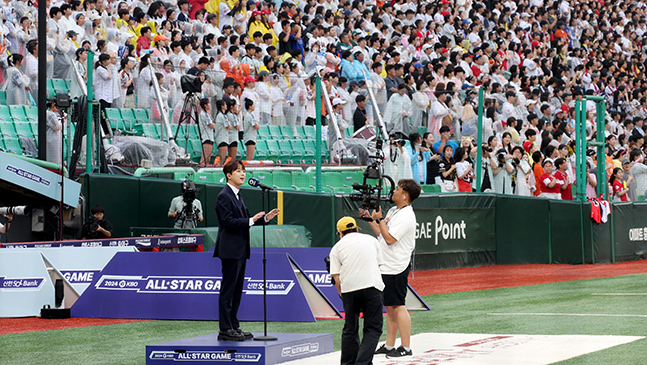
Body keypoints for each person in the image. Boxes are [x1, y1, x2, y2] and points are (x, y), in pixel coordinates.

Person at [214, 159, 280, 341]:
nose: (242, 174)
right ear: (229, 175)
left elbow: (246, 220)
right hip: (230, 250)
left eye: (243, 170)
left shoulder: (238, 195)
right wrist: (251, 220)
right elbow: (228, 222)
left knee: (237, 290)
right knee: (228, 290)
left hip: (241, 250)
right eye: (238, 171)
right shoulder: (224, 196)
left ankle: (234, 326)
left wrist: (265, 218)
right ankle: (225, 328)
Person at [360, 179, 421, 359]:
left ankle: (406, 347)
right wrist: (370, 219)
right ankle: (389, 344)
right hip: (386, 265)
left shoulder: (406, 215)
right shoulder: (395, 210)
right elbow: (381, 232)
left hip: (396, 266)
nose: (393, 191)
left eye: (398, 189)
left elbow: (390, 239)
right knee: (390, 307)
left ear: (405, 195)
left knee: (398, 306)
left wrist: (379, 220)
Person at [329, 216, 384, 365]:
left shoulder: (337, 247)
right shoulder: (372, 240)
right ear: (356, 228)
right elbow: (378, 265)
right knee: (373, 328)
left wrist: (343, 296)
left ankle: (348, 363)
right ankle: (362, 362)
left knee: (350, 328)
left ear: (340, 232)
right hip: (372, 286)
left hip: (349, 290)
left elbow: (337, 279)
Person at [198, 98, 215, 166]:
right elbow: (212, 125)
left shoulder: (206, 114)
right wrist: (213, 123)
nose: (210, 105)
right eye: (209, 103)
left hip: (209, 137)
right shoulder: (204, 114)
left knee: (207, 159)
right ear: (205, 105)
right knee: (205, 158)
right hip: (206, 137)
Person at [46, 99, 63, 165]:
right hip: (52, 139)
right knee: (54, 159)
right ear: (52, 104)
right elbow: (57, 127)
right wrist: (64, 121)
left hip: (53, 138)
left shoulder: (50, 114)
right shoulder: (50, 114)